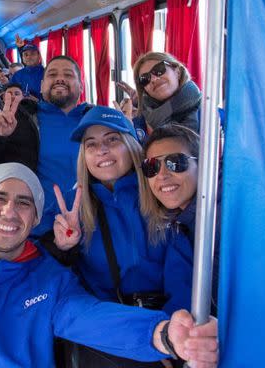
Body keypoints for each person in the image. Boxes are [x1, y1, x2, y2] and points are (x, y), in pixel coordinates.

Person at [0, 163, 219, 368]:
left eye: (24, 203)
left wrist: (161, 334)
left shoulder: (49, 277)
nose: (9, 211)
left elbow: (91, 318)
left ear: (34, 220)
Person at [50, 107, 192, 366]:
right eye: (91, 144)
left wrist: (171, 334)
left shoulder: (163, 191)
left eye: (112, 139)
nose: (101, 150)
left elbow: (183, 277)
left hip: (168, 327)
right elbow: (60, 286)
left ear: (132, 146)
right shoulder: (72, 208)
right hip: (108, 333)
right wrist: (63, 249)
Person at [0, 55, 91, 236]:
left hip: (91, 225)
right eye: (52, 74)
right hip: (34, 231)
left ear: (81, 86)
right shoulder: (20, 119)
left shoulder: (95, 120)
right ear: (42, 85)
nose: (60, 78)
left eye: (68, 75)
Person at [141, 125, 218, 312]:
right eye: (152, 166)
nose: (162, 175)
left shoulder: (224, 219)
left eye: (175, 162)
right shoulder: (177, 226)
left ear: (203, 164)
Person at [130, 52, 202, 138]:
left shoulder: (211, 115)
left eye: (159, 70)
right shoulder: (139, 123)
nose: (153, 79)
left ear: (177, 72)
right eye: (145, 79)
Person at [10, 34, 44, 99]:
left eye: (33, 54)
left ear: (39, 56)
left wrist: (38, 102)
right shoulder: (17, 75)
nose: (29, 57)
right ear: (22, 58)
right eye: (26, 55)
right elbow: (9, 92)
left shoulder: (46, 74)